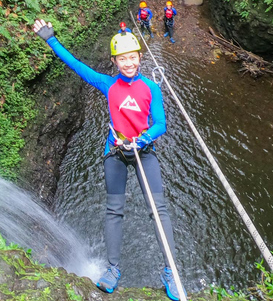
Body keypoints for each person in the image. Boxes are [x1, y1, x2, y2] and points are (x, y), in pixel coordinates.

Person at [32, 19, 181, 300]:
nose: (128, 63)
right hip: (114, 153)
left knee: (158, 210)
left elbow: (160, 124)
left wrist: (143, 138)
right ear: (115, 61)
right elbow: (77, 66)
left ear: (140, 57)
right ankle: (113, 269)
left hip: (144, 152)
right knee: (114, 210)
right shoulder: (108, 85)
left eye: (133, 57)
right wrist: (51, 40)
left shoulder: (151, 88)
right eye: (123, 58)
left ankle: (170, 271)